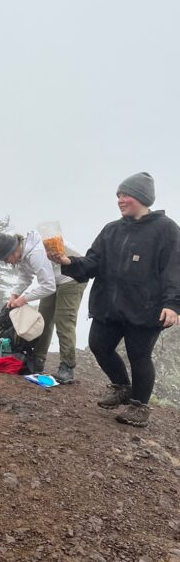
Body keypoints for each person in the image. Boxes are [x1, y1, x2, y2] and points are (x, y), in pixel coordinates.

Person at [49, 173, 180, 426]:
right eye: (118, 195)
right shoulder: (112, 229)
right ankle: (121, 386)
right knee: (99, 345)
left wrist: (173, 304)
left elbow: (175, 269)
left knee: (139, 356)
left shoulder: (166, 230)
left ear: (142, 197)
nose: (120, 200)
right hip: (109, 306)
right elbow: (93, 262)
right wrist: (67, 262)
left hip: (146, 308)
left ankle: (139, 407)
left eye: (125, 195)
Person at [0, 230, 87, 383]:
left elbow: (47, 286)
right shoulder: (21, 253)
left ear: (13, 250)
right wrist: (14, 294)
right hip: (53, 279)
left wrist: (24, 299)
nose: (8, 262)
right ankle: (38, 360)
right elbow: (25, 276)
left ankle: (67, 367)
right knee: (43, 319)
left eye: (6, 258)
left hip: (72, 277)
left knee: (63, 321)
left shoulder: (35, 253)